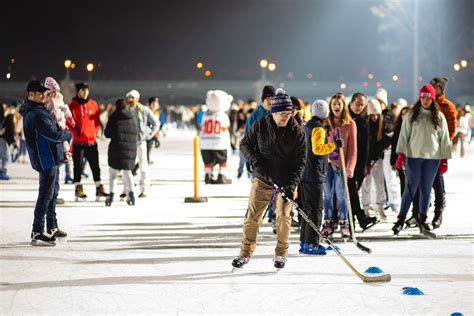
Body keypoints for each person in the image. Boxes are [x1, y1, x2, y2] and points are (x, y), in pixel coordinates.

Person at [232, 88, 306, 270]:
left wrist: (292, 185)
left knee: (283, 216)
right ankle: (245, 253)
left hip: (285, 180)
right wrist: (255, 160)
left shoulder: (297, 132)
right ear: (273, 112)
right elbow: (244, 144)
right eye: (282, 113)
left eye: (289, 113)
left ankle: (281, 253)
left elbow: (300, 162)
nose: (285, 117)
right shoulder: (261, 125)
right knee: (252, 217)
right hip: (263, 178)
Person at [392, 84, 451, 236]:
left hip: (432, 158)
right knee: (410, 188)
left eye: (428, 97)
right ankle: (401, 219)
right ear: (420, 97)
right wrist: (401, 154)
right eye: (423, 97)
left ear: (432, 98)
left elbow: (444, 138)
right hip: (413, 156)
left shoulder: (438, 116)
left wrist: (444, 159)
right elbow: (404, 135)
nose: (425, 100)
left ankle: (422, 218)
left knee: (426, 189)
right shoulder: (412, 115)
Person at [19, 80, 72, 246]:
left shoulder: (39, 109)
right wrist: (67, 134)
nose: (43, 95)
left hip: (50, 157)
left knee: (52, 192)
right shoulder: (36, 113)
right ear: (30, 95)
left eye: (43, 92)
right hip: (45, 158)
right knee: (46, 195)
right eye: (38, 93)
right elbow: (53, 135)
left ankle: (51, 226)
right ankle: (37, 231)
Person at [299, 99, 341, 255]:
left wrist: (328, 161)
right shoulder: (318, 128)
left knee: (307, 209)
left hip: (306, 173)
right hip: (314, 175)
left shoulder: (307, 126)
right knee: (316, 210)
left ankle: (305, 241)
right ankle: (312, 243)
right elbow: (317, 149)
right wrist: (334, 146)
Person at [321, 93, 357, 239]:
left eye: (339, 104)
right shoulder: (326, 123)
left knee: (341, 195)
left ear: (343, 106)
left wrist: (350, 167)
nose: (336, 106)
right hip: (327, 164)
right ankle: (328, 222)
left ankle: (344, 223)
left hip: (341, 165)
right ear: (330, 106)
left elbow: (353, 149)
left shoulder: (350, 124)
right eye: (334, 104)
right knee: (328, 195)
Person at [68, 82, 109, 201]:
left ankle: (98, 189)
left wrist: (95, 132)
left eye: (86, 90)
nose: (85, 92)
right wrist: (76, 132)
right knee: (78, 167)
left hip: (91, 142)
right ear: (78, 92)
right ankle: (78, 189)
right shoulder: (72, 106)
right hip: (78, 143)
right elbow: (69, 123)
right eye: (82, 90)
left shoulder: (93, 104)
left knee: (95, 167)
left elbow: (97, 122)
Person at [429, 77, 457, 228]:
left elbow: (451, 130)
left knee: (437, 180)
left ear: (440, 88)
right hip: (424, 148)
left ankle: (438, 210)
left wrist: (444, 147)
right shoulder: (426, 103)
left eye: (434, 86)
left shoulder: (447, 106)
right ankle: (420, 212)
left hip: (438, 150)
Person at [347, 93, 378, 230]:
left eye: (362, 105)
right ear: (351, 103)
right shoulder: (345, 117)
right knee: (349, 191)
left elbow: (366, 145)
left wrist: (366, 164)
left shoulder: (363, 121)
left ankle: (354, 218)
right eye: (357, 104)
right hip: (343, 161)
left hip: (358, 162)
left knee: (351, 191)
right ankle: (357, 217)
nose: (360, 107)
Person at [361, 98, 393, 220]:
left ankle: (380, 207)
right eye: (372, 115)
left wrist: (385, 143)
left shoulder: (384, 123)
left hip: (378, 159)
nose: (374, 117)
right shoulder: (364, 124)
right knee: (366, 185)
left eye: (376, 114)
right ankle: (365, 209)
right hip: (366, 161)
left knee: (380, 184)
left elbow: (390, 136)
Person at [104, 99, 138, 206]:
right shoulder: (131, 118)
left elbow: (107, 133)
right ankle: (132, 194)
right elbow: (135, 134)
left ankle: (111, 195)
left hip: (116, 149)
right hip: (129, 150)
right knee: (127, 172)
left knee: (113, 173)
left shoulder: (114, 117)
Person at [127, 89, 158, 197]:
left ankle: (144, 189)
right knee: (128, 166)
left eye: (132, 98)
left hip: (140, 141)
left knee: (143, 165)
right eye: (129, 98)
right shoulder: (126, 110)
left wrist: (148, 135)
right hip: (129, 142)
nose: (130, 100)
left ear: (137, 99)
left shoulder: (144, 110)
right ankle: (128, 188)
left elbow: (155, 124)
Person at [43, 77, 75, 163]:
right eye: (52, 92)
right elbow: (48, 113)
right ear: (48, 93)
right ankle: (65, 153)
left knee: (66, 139)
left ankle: (66, 153)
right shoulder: (48, 102)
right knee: (63, 140)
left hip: (61, 122)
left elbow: (65, 108)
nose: (55, 94)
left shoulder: (59, 100)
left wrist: (69, 117)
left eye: (56, 92)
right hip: (56, 124)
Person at [146, 97, 161, 164]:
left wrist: (157, 137)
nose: (155, 105)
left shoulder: (156, 113)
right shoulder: (146, 112)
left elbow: (156, 127)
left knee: (147, 154)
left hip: (153, 135)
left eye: (156, 104)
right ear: (150, 104)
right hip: (146, 135)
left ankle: (135, 168)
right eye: (154, 104)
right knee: (146, 155)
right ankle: (134, 168)